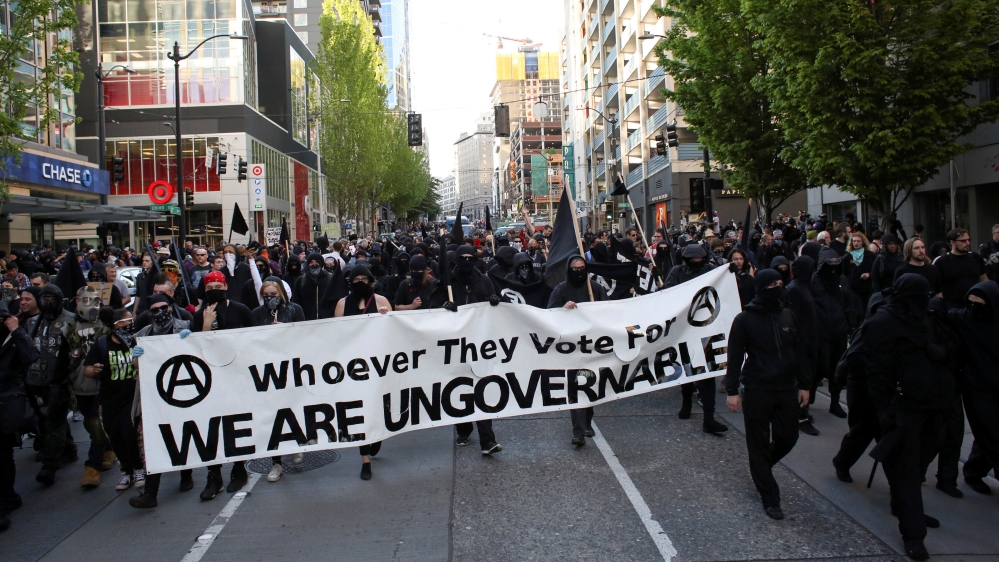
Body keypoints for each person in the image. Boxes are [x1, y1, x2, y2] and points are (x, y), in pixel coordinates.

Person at [859, 274, 952, 561]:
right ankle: (913, 533)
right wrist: (886, 410)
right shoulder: (883, 323)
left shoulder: (924, 317)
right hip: (902, 406)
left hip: (931, 401)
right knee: (907, 468)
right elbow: (874, 371)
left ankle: (905, 503)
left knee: (934, 444)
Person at [725, 269, 811, 520]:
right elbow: (735, 357)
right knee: (758, 443)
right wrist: (732, 390)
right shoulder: (744, 320)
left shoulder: (788, 316)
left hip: (786, 388)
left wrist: (805, 384)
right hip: (758, 388)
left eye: (781, 283)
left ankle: (761, 468)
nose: (779, 287)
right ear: (763, 287)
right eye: (773, 284)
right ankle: (770, 496)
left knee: (788, 436)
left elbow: (800, 351)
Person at [127, 294, 194, 508]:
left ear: (171, 307)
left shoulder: (185, 326)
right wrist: (136, 356)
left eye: (163, 307)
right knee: (153, 441)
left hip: (182, 390)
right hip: (154, 396)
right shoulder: (143, 335)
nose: (160, 313)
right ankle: (150, 493)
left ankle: (186, 474)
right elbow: (138, 368)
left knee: (182, 434)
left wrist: (192, 340)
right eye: (154, 309)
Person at [192, 271, 254, 498]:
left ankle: (239, 468)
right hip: (211, 379)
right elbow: (196, 348)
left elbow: (256, 339)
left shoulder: (241, 310)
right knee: (212, 427)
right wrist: (206, 325)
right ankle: (214, 475)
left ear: (226, 286)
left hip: (238, 377)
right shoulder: (201, 315)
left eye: (218, 286)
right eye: (210, 288)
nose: (214, 290)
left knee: (237, 424)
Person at [440, 247, 505, 454]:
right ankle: (463, 429)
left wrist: (495, 302)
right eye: (463, 258)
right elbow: (432, 311)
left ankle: (488, 440)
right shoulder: (449, 283)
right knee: (460, 388)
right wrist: (445, 308)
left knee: (481, 388)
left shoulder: (484, 281)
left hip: (479, 344)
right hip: (456, 344)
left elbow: (495, 304)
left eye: (471, 258)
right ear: (457, 260)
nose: (467, 261)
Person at [334, 265, 393, 480]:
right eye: (355, 278)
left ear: (370, 280)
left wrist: (386, 317)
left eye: (363, 278)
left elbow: (394, 332)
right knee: (360, 411)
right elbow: (337, 335)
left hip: (378, 364)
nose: (360, 282)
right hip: (354, 366)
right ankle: (365, 459)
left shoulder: (381, 301)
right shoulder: (342, 304)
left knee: (379, 407)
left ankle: (376, 436)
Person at [665, 245, 728, 434]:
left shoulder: (710, 270)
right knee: (687, 367)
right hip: (684, 328)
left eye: (699, 259)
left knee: (706, 372)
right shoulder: (677, 272)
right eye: (692, 259)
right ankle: (686, 402)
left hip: (707, 326)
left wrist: (730, 273)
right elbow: (667, 292)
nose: (696, 263)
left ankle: (709, 417)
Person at [548, 256, 608, 446]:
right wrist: (563, 309)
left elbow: (609, 311)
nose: (579, 271)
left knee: (590, 385)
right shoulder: (561, 289)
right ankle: (578, 432)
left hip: (593, 346)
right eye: (576, 268)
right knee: (575, 387)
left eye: (583, 268)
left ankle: (587, 421)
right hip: (571, 347)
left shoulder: (595, 289)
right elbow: (550, 313)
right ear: (569, 270)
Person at [83, 309, 143, 492]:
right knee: (115, 436)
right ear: (116, 324)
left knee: (130, 434)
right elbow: (87, 370)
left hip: (131, 399)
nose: (131, 324)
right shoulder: (102, 344)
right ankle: (126, 471)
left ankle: (139, 469)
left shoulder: (137, 341)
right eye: (127, 321)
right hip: (109, 400)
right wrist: (95, 370)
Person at [948, 281, 999, 496]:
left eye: (980, 304)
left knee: (989, 432)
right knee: (991, 432)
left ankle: (974, 470)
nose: (974, 308)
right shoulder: (963, 319)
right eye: (971, 303)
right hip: (976, 385)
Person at [24, 285, 78, 485]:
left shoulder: (71, 321)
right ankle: (69, 449)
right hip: (36, 380)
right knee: (47, 419)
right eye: (43, 298)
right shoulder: (32, 323)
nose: (47, 302)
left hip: (60, 381)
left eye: (51, 298)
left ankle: (50, 463)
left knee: (54, 420)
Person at [66, 287, 114, 488]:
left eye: (93, 300)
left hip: (100, 384)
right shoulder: (70, 325)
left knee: (96, 423)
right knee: (89, 421)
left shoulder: (105, 325)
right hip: (78, 384)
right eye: (84, 300)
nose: (89, 305)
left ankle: (92, 466)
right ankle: (108, 448)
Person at [0, 302, 38, 532]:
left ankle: (6, 499)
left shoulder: (13, 338)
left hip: (7, 403)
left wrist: (17, 331)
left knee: (3, 455)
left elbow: (30, 356)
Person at [934, 228, 987, 309]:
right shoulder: (941, 261)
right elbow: (936, 288)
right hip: (952, 308)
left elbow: (984, 280)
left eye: (969, 240)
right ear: (952, 242)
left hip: (975, 306)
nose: (967, 243)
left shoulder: (975, 257)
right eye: (963, 241)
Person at [846, 232, 876, 309]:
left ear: (863, 242)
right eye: (854, 241)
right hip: (853, 289)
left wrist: (869, 274)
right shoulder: (848, 256)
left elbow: (876, 270)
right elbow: (844, 272)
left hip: (867, 288)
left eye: (858, 241)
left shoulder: (871, 255)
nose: (856, 243)